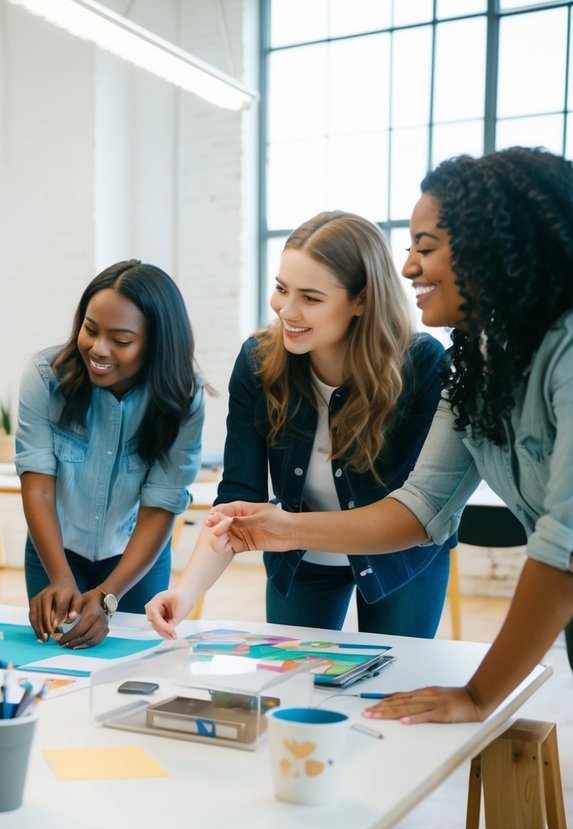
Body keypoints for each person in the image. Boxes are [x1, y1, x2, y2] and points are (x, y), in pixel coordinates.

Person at [206, 147, 573, 724]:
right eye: (409, 250)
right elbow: (423, 503)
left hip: (411, 572)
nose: (408, 269)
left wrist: (479, 695)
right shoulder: (475, 362)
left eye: (425, 249)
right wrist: (284, 528)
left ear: (496, 247)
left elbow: (563, 543)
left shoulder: (554, 352)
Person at [146, 212, 451, 640]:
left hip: (401, 560)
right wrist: (186, 591)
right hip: (299, 559)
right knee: (295, 687)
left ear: (361, 300)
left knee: (392, 691)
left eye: (310, 297)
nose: (286, 311)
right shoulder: (257, 362)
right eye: (281, 289)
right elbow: (237, 500)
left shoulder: (421, 364)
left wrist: (287, 530)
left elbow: (420, 506)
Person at [17, 260, 204, 648]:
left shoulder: (182, 399)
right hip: (54, 550)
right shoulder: (44, 376)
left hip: (136, 559)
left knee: (132, 667)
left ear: (156, 343)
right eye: (90, 329)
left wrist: (108, 595)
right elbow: (37, 487)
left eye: (120, 340)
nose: (98, 349)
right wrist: (60, 576)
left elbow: (162, 504)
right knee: (56, 663)